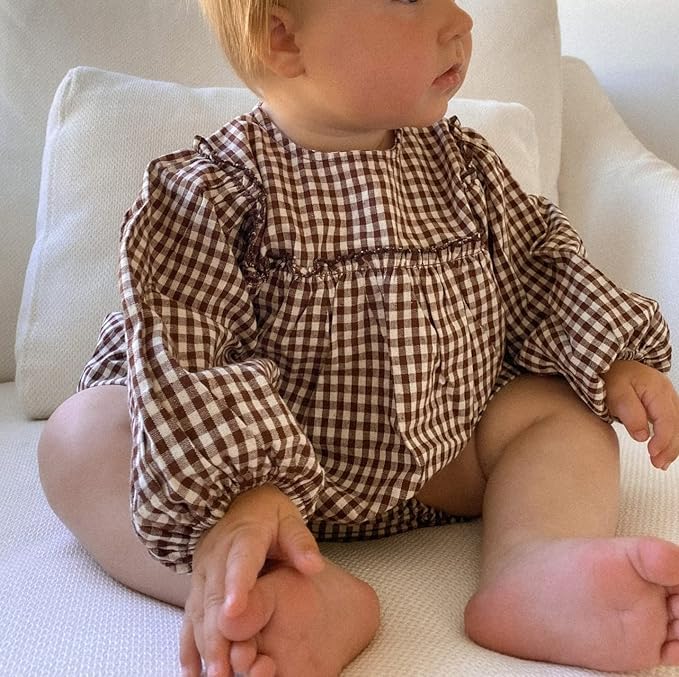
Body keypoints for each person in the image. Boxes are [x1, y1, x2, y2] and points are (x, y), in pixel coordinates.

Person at [38, 0, 679, 675]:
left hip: (445, 456)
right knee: (78, 439)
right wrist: (240, 491)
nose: (459, 21)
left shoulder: (463, 168)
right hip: (252, 484)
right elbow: (188, 347)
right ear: (283, 38)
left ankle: (535, 563)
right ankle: (270, 587)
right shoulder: (211, 193)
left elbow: (537, 268)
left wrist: (612, 353)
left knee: (562, 413)